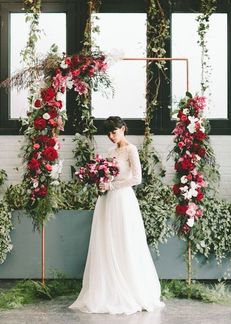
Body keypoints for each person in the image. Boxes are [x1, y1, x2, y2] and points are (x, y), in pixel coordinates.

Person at [69, 116, 164, 315]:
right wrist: (101, 181)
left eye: (114, 132)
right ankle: (107, 289)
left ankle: (130, 288)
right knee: (106, 240)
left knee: (125, 240)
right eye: (108, 133)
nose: (111, 136)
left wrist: (112, 184)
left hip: (123, 200)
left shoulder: (131, 150)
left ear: (123, 128)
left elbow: (137, 178)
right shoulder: (111, 151)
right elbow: (108, 174)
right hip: (107, 200)